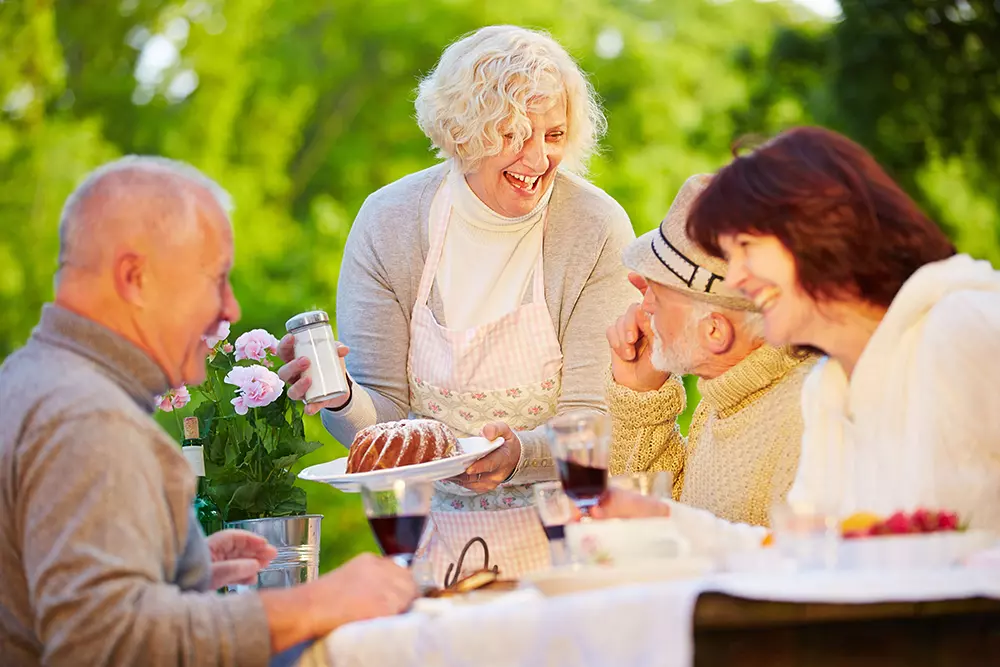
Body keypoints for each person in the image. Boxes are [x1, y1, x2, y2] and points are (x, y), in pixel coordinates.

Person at [0, 157, 416, 667]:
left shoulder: (28, 380)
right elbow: (105, 643)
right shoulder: (89, 418)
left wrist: (172, 575)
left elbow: (50, 597)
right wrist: (313, 603)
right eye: (215, 279)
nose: (231, 309)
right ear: (135, 278)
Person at [278, 25, 635, 577]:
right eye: (514, 135)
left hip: (574, 546)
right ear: (463, 130)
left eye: (555, 134)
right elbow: (385, 430)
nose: (538, 159)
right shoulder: (388, 223)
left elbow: (593, 418)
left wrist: (521, 453)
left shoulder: (594, 227)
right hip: (435, 547)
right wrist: (343, 397)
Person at [685, 126, 1000, 530]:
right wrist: (661, 519)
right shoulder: (827, 388)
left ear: (820, 227)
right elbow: (798, 556)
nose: (735, 279)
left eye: (746, 247)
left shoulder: (963, 328)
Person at [606, 175, 816, 527]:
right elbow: (667, 532)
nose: (644, 305)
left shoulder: (803, 421)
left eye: (658, 291)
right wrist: (642, 397)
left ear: (715, 330)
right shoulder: (724, 393)